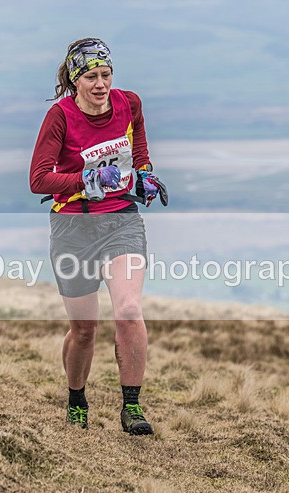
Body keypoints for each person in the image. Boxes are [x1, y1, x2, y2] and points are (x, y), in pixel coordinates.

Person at [29, 37, 167, 435]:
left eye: (106, 74)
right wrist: (86, 179)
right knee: (84, 328)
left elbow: (137, 147)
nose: (101, 83)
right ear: (75, 80)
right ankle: (76, 400)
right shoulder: (60, 117)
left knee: (127, 310)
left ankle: (132, 407)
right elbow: (39, 179)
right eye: (91, 76)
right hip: (73, 226)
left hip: (121, 219)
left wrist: (144, 174)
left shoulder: (130, 103)